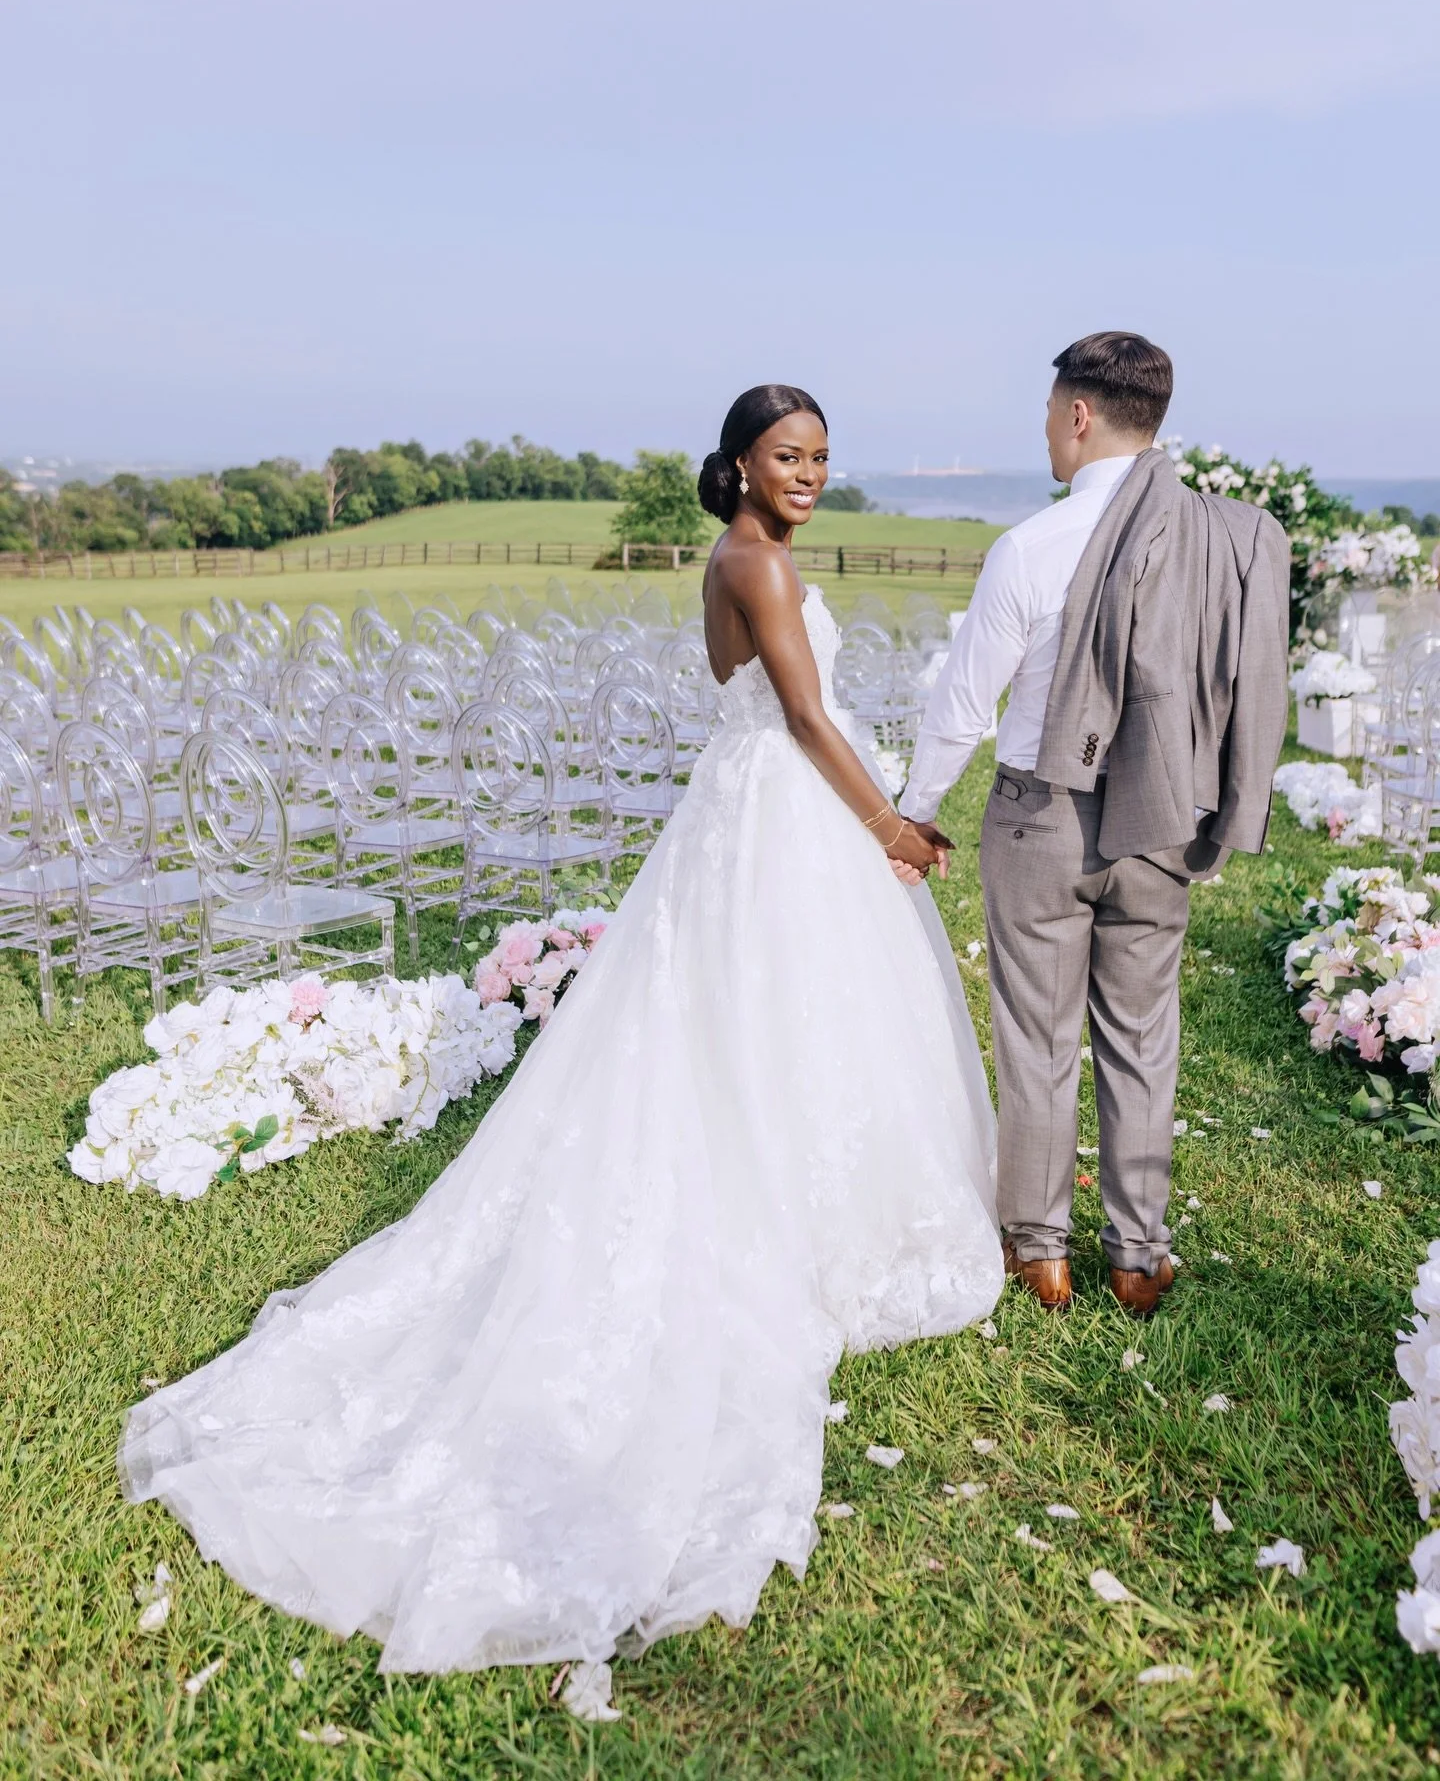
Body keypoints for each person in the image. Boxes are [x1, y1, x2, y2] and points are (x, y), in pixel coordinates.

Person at [119, 383, 1002, 1675]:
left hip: (753, 801)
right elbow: (805, 716)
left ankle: (810, 1192)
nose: (806, 473)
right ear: (740, 465)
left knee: (756, 1012)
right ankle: (795, 1212)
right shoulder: (752, 559)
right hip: (793, 800)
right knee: (769, 1006)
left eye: (820, 457)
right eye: (785, 455)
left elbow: (739, 693)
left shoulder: (749, 553)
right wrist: (887, 826)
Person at [901, 334, 1289, 1316]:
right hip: (1162, 817)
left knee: (1038, 1041)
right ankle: (1138, 1255)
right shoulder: (1224, 539)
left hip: (1043, 818)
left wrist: (915, 814)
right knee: (1143, 1034)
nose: (1044, 433)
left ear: (1079, 415)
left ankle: (1041, 1253)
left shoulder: (1030, 547)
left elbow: (961, 709)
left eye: (1048, 414)